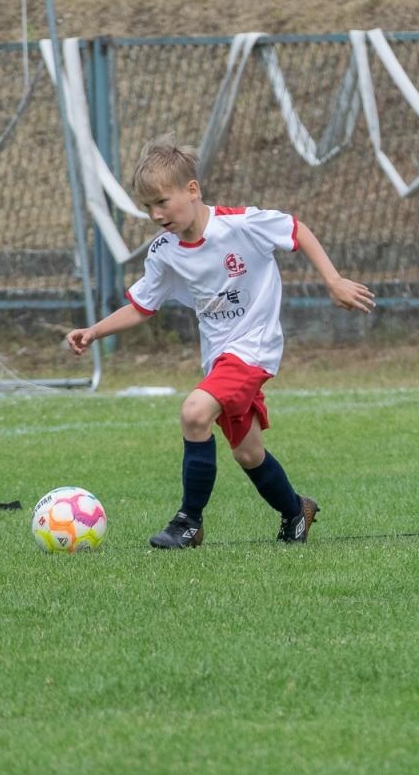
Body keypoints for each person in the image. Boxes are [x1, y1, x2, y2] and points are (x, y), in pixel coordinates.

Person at [66, 138, 375, 548]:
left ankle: (188, 522)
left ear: (192, 190)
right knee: (248, 454)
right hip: (219, 359)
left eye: (162, 202)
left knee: (195, 413)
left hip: (254, 349)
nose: (156, 215)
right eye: (147, 208)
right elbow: (143, 306)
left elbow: (296, 230)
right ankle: (295, 511)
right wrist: (93, 331)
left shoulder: (241, 224)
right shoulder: (165, 252)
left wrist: (333, 280)